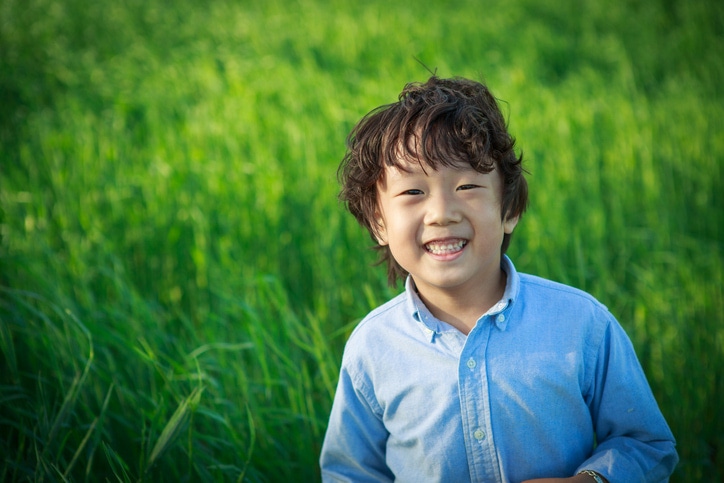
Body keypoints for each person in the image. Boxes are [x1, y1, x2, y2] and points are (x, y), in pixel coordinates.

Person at [319, 76, 678, 482]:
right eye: (413, 192)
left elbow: (646, 443)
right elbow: (349, 472)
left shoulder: (580, 325)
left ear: (509, 209)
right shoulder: (374, 347)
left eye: (467, 185)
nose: (441, 213)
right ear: (378, 222)